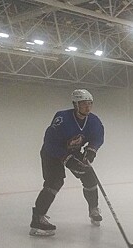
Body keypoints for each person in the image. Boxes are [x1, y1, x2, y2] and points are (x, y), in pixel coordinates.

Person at [29, 89, 105, 236]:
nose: (87, 107)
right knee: (54, 182)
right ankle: (37, 220)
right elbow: (50, 142)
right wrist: (66, 159)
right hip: (52, 153)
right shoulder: (62, 118)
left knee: (89, 177)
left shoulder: (93, 120)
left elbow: (98, 136)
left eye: (90, 104)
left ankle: (93, 209)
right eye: (83, 104)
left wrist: (91, 150)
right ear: (75, 104)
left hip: (72, 151)